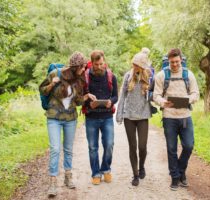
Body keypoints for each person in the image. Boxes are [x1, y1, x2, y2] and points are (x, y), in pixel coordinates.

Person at [39, 52, 95, 197]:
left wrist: (87, 97)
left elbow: (77, 102)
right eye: (82, 67)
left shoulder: (79, 79)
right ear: (75, 66)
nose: (84, 70)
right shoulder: (55, 73)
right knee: (55, 149)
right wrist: (52, 84)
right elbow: (42, 90)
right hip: (54, 117)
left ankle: (68, 177)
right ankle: (52, 183)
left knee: (68, 149)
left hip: (70, 118)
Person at [153, 48, 199, 191]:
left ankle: (181, 170)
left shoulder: (188, 74)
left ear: (181, 60)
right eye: (172, 62)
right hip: (169, 118)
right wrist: (162, 102)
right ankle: (175, 177)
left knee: (189, 146)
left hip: (185, 116)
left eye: (177, 62)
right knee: (171, 149)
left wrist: (188, 100)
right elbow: (156, 95)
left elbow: (195, 93)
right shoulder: (161, 75)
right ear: (168, 61)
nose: (175, 65)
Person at [116, 48, 152, 186]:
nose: (134, 66)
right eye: (134, 63)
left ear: (142, 66)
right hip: (129, 116)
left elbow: (153, 95)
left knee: (142, 146)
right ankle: (135, 174)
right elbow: (123, 96)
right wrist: (119, 114)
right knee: (133, 146)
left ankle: (142, 166)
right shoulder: (127, 76)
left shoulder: (148, 76)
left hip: (143, 115)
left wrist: (150, 91)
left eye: (137, 64)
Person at [84, 50, 118, 185]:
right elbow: (81, 96)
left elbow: (116, 95)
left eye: (101, 64)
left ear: (104, 62)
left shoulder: (111, 76)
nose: (99, 67)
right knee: (93, 147)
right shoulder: (85, 77)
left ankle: (106, 169)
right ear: (91, 63)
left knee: (109, 144)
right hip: (91, 117)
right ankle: (96, 173)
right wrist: (88, 103)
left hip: (107, 117)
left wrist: (112, 101)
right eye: (96, 64)